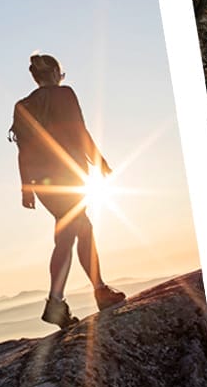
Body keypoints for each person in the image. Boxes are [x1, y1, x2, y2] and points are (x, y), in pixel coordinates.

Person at [12, 53, 127, 330]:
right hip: (68, 174)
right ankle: (62, 300)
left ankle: (87, 293)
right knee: (71, 233)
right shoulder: (64, 94)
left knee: (76, 230)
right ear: (54, 73)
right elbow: (80, 131)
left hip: (42, 182)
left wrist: (26, 187)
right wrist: (100, 162)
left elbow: (23, 150)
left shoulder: (22, 105)